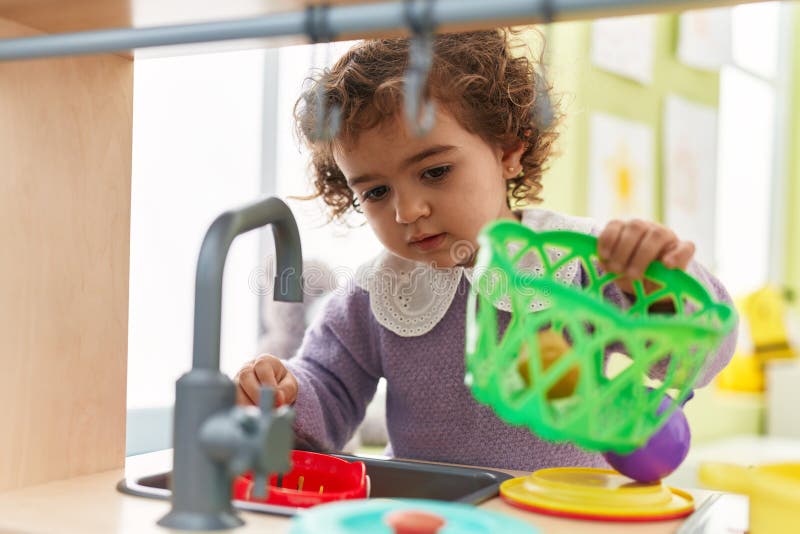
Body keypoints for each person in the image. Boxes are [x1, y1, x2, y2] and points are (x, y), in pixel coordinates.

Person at [234, 29, 737, 471]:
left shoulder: (583, 262)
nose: (407, 211)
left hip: (559, 516)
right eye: (376, 192)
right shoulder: (374, 295)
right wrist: (283, 391)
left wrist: (653, 286)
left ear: (509, 150)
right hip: (430, 515)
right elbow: (328, 391)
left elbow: (703, 356)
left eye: (435, 171)